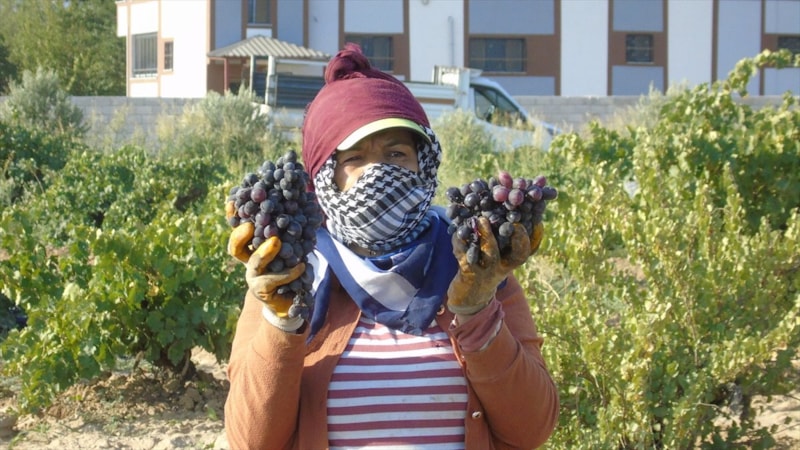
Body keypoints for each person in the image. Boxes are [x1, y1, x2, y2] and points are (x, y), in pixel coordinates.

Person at [224, 43, 559, 449]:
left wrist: (476, 312)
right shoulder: (290, 278)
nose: (378, 172)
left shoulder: (478, 267)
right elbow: (251, 441)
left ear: (423, 164)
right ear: (325, 177)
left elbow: (532, 429)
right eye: (354, 158)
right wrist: (281, 325)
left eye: (396, 153)